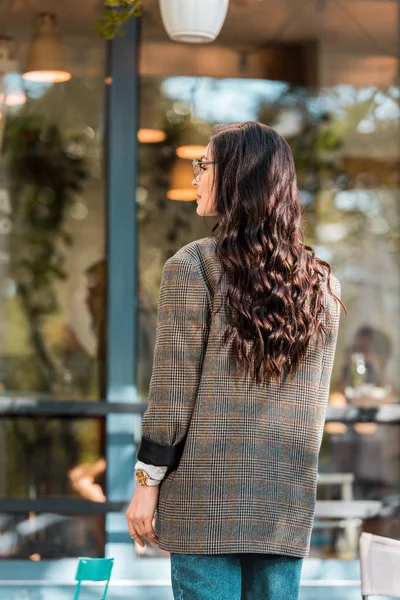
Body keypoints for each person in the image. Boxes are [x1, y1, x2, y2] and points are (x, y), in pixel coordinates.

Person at [125, 121, 346, 600]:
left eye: (203, 165)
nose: (195, 177)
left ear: (236, 178)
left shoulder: (193, 266)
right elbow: (314, 413)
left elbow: (171, 394)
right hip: (284, 504)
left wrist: (146, 482)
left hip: (205, 502)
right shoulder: (323, 286)